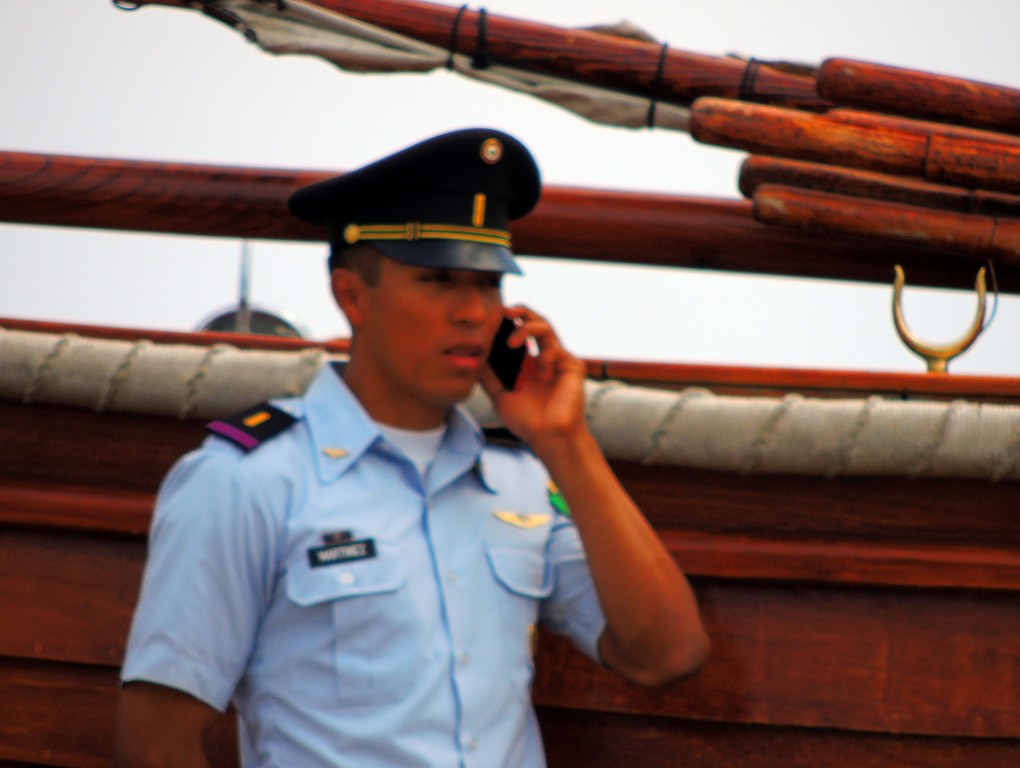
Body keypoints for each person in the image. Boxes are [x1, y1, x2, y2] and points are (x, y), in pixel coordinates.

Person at [113, 128, 708, 768]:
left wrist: (567, 443)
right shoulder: (247, 479)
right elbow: (154, 742)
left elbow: (667, 654)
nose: (473, 312)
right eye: (439, 279)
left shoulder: (520, 480)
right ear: (351, 296)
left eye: (488, 285)